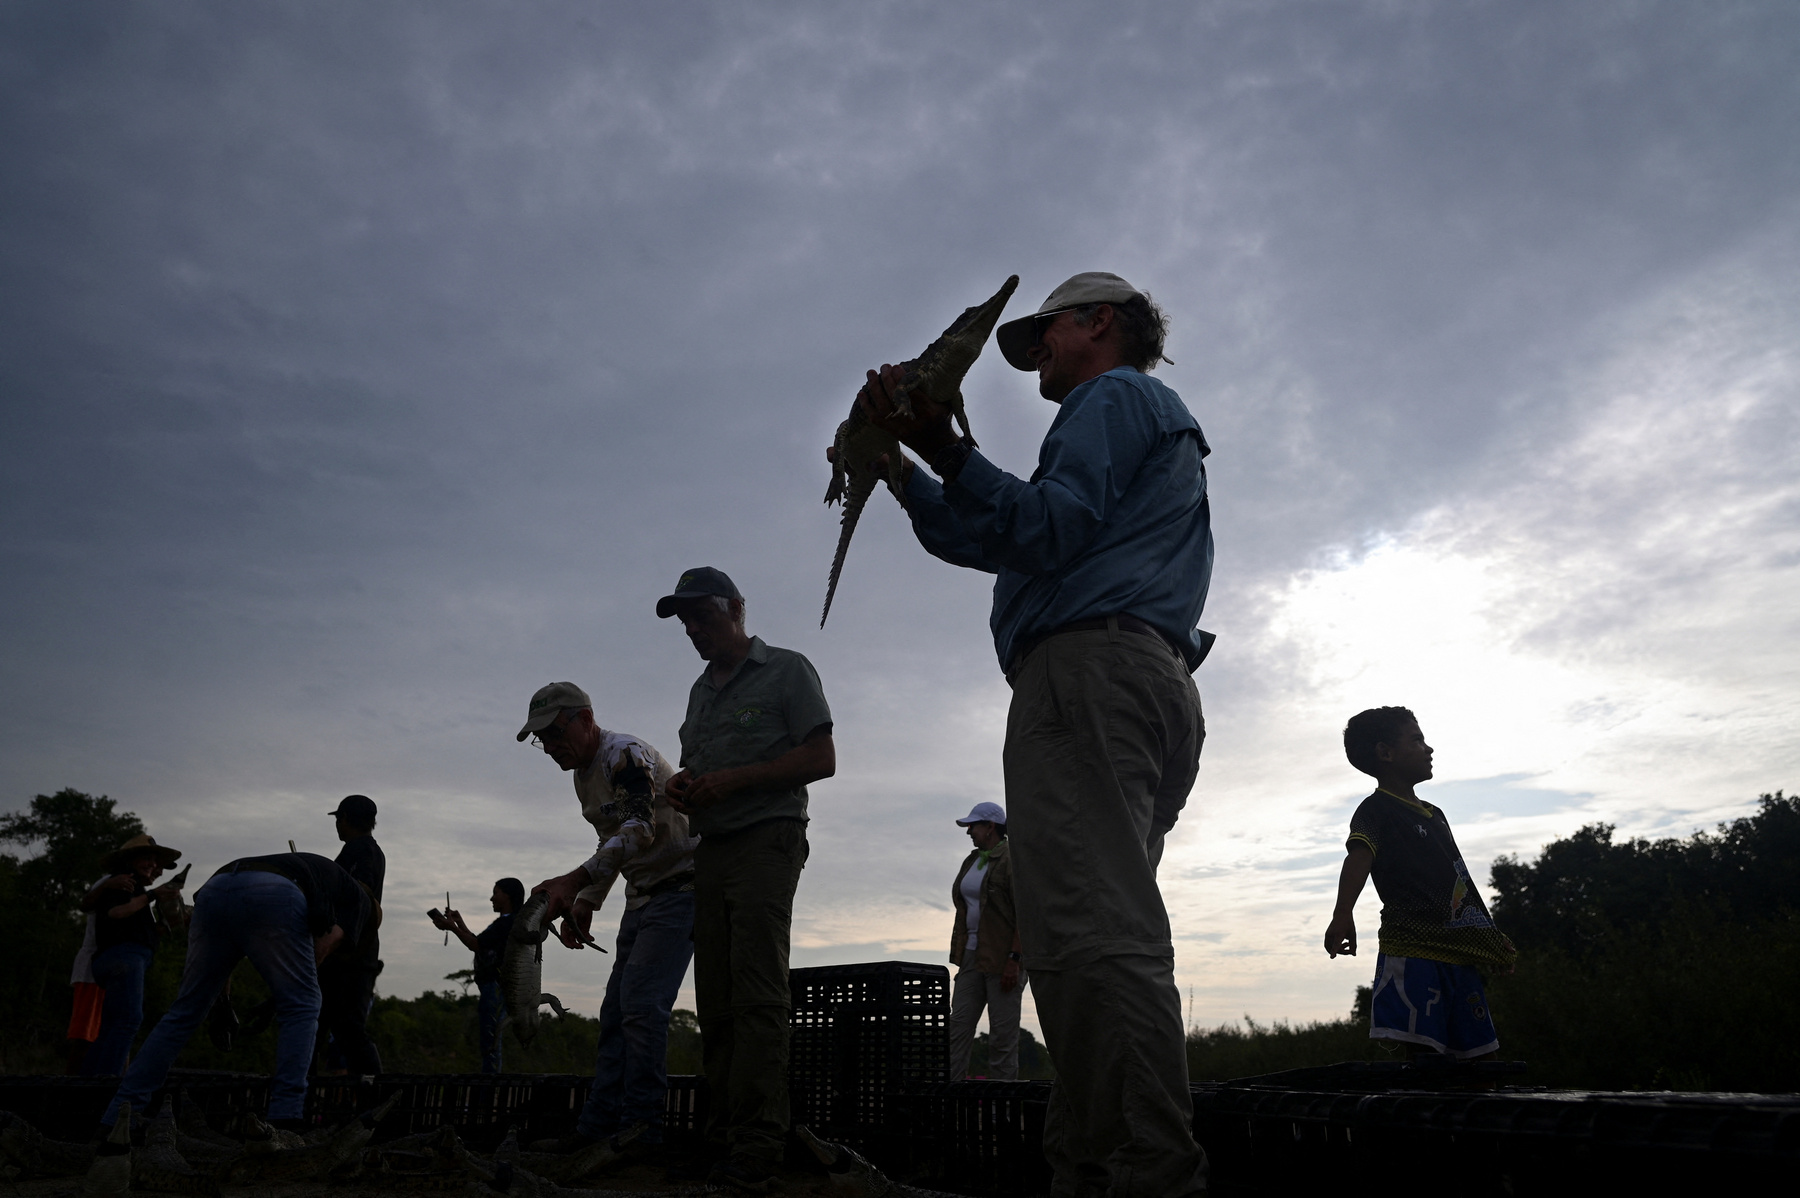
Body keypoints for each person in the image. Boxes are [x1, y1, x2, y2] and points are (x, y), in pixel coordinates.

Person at [845, 273, 1213, 1196]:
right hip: (1133, 680)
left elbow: (1044, 526)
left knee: (1096, 936)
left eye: (1044, 332)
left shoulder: (1113, 396)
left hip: (1085, 679)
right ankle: (1088, 1166)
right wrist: (901, 468)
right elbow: (995, 538)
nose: (1035, 354)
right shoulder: (1133, 419)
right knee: (1076, 938)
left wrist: (938, 441)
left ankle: (1148, 1175)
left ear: (1100, 322)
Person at [654, 567, 834, 1193]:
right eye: (686, 623)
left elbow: (821, 758)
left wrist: (736, 780)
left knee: (757, 995)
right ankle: (723, 1135)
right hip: (714, 849)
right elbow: (698, 767)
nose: (694, 630)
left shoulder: (787, 670)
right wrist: (680, 784)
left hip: (768, 839)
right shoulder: (701, 692)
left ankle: (760, 1142)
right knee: (717, 1000)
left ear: (736, 608)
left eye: (703, 616)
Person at [524, 681, 698, 1151]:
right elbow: (612, 838)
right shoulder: (583, 774)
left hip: (682, 888)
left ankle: (640, 1133)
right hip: (642, 894)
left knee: (642, 1008)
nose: (551, 748)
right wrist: (588, 900)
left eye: (556, 734)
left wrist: (572, 882)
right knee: (617, 1011)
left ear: (585, 719)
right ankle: (598, 1129)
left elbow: (640, 827)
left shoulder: (624, 755)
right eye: (543, 740)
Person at [98, 850, 373, 1134]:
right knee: (303, 1005)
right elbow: (319, 951)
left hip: (216, 887)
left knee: (184, 1011)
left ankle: (120, 1115)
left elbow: (232, 945)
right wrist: (279, 996)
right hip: (274, 889)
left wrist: (224, 999)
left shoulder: (320, 880)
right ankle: (285, 1117)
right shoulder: (361, 903)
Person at [1324, 707, 1518, 1059]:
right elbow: (1358, 859)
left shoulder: (1436, 815)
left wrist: (1489, 934)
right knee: (1422, 1064)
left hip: (1458, 958)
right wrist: (1342, 915)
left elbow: (1459, 883)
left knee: (1481, 1063)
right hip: (1412, 954)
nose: (1428, 749)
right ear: (1386, 753)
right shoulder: (1375, 810)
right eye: (1417, 740)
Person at [79, 835, 186, 1076]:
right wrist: (153, 895)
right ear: (131, 859)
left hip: (124, 958)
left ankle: (87, 1083)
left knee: (111, 1026)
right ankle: (108, 1085)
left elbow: (131, 923)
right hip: (124, 957)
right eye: (147, 858)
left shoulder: (133, 888)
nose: (154, 866)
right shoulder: (124, 882)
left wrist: (167, 923)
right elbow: (116, 913)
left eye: (155, 861)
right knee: (128, 1021)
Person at [947, 802, 1027, 1080]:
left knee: (1002, 1039)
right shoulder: (972, 860)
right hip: (971, 957)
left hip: (1003, 959)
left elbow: (1024, 915)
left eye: (973, 826)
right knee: (956, 1030)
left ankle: (1001, 1114)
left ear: (990, 827)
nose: (969, 831)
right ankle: (949, 1103)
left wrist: (1014, 961)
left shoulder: (1012, 859)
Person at [318, 794, 385, 1075]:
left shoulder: (361, 850)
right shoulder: (366, 849)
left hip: (350, 954)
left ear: (344, 819)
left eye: (338, 819)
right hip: (350, 951)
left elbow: (361, 891)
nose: (337, 826)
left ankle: (376, 1098)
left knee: (346, 1029)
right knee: (328, 1025)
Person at [432, 877, 525, 1073]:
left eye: (496, 893)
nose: (492, 898)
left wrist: (452, 927)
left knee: (490, 1042)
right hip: (497, 988)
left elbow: (475, 945)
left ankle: (488, 1094)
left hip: (497, 989)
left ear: (507, 896)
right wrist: (459, 923)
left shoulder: (507, 924)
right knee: (490, 1041)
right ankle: (488, 1092)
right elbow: (481, 944)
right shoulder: (507, 923)